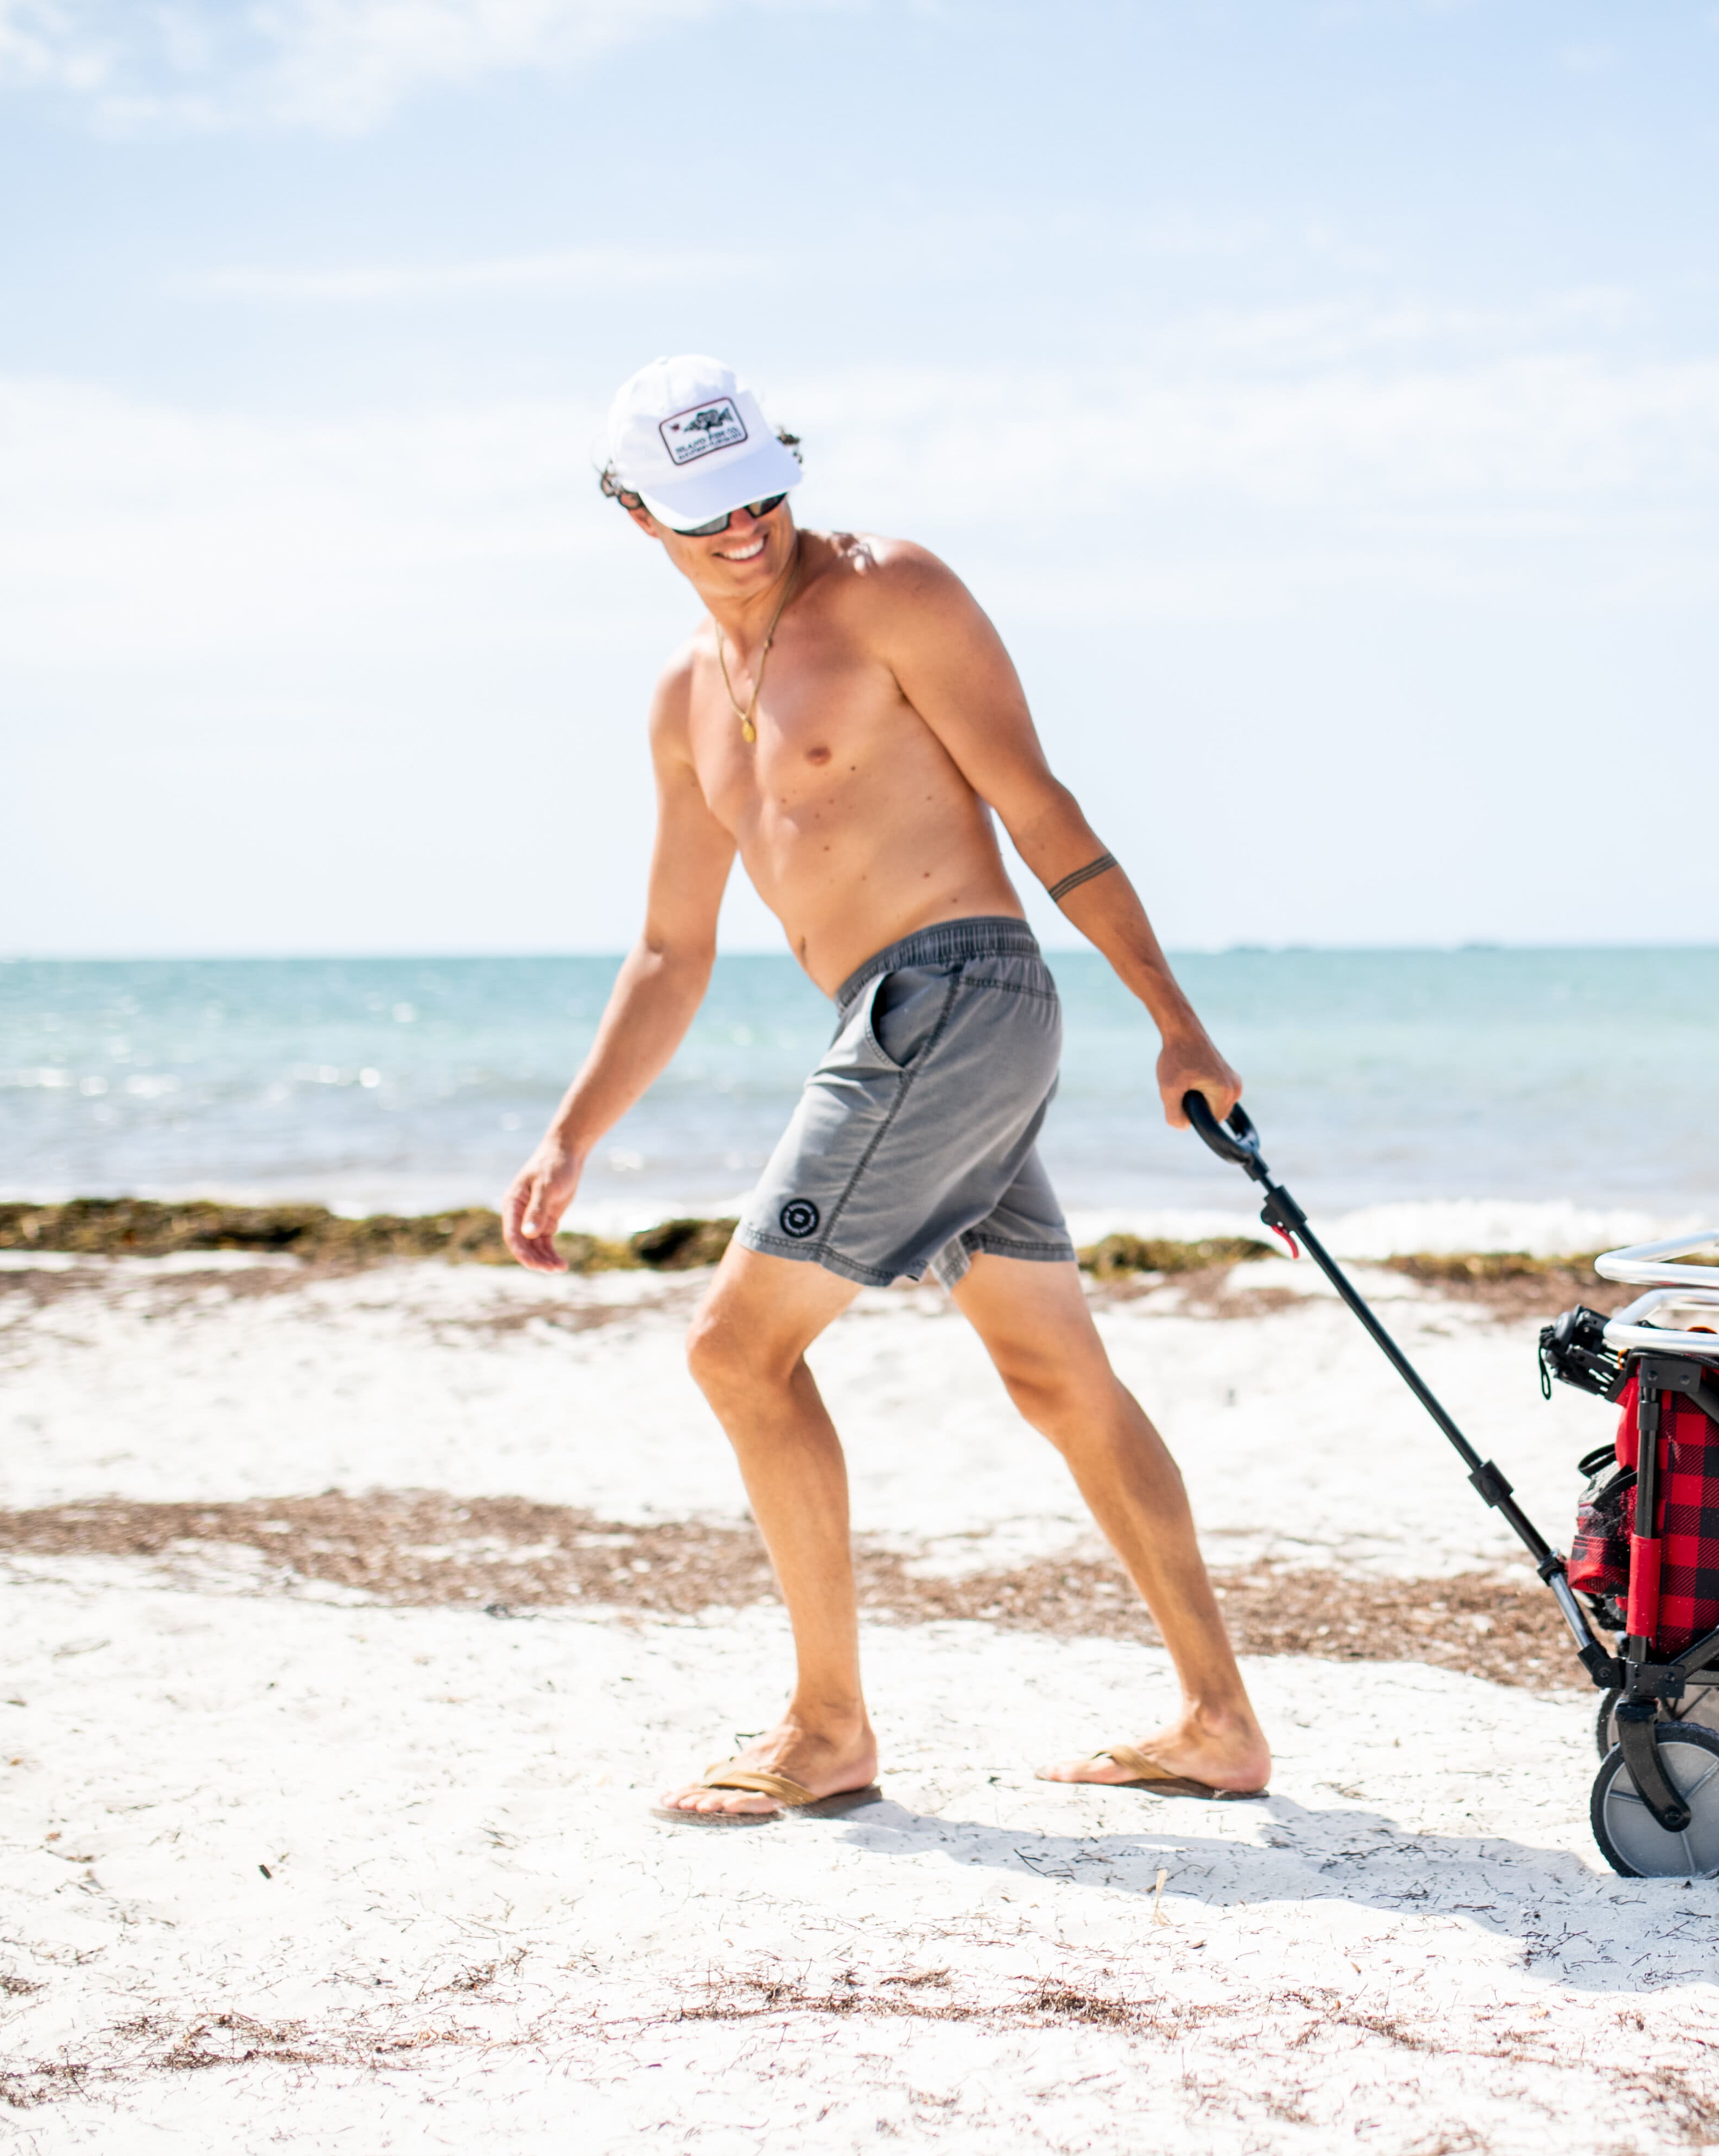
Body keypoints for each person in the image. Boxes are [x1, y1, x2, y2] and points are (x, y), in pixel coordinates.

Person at [501, 355, 1272, 1823]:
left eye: (762, 491)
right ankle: (1218, 1718)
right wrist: (570, 1132)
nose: (745, 530)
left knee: (735, 1352)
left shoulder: (887, 592)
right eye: (704, 510)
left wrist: (1174, 1022)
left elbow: (1039, 807)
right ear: (632, 514)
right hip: (898, 1018)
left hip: (956, 998)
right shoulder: (682, 702)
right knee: (1055, 1371)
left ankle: (827, 1726)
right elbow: (671, 950)